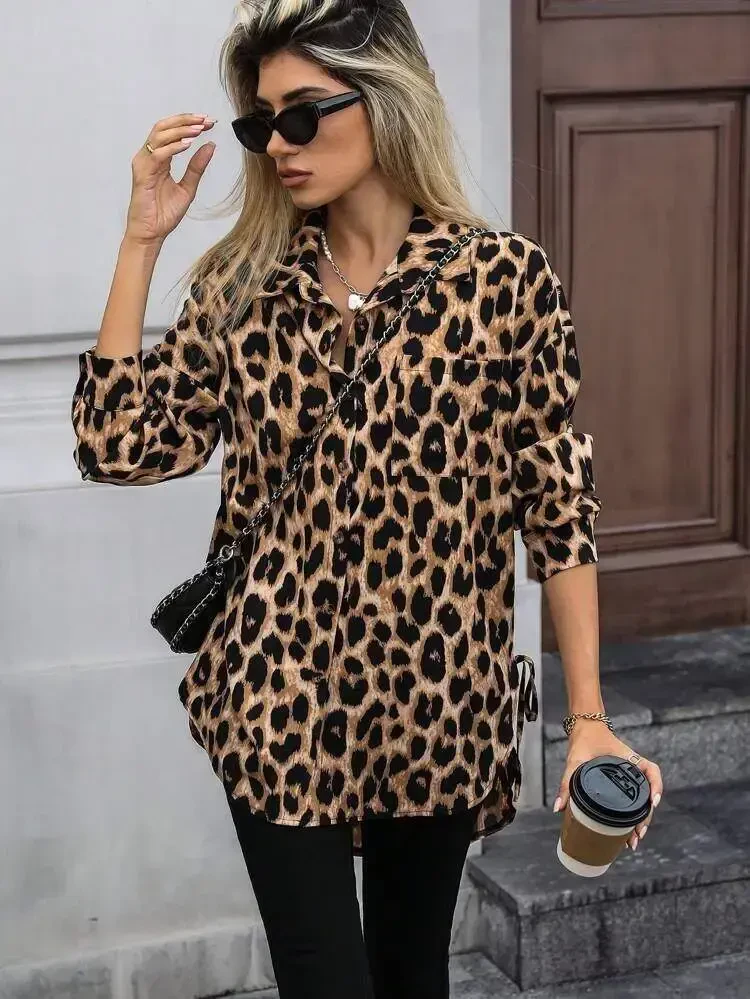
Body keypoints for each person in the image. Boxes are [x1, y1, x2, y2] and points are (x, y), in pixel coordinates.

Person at [70, 1, 664, 996]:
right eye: (262, 124)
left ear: (386, 99)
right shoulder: (243, 285)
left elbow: (558, 503)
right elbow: (118, 445)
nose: (279, 144)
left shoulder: (503, 281)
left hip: (439, 698)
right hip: (277, 695)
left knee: (410, 972)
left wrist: (589, 717)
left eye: (304, 114)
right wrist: (140, 242)